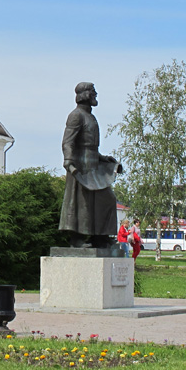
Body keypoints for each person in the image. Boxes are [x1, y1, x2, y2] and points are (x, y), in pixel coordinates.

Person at [59, 81, 123, 248]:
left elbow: (90, 147)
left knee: (106, 199)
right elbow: (68, 142)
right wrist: (68, 161)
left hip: (94, 165)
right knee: (82, 203)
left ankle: (100, 237)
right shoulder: (76, 115)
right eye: (93, 91)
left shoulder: (91, 117)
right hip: (81, 168)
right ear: (85, 94)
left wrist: (103, 158)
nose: (95, 94)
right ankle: (77, 239)